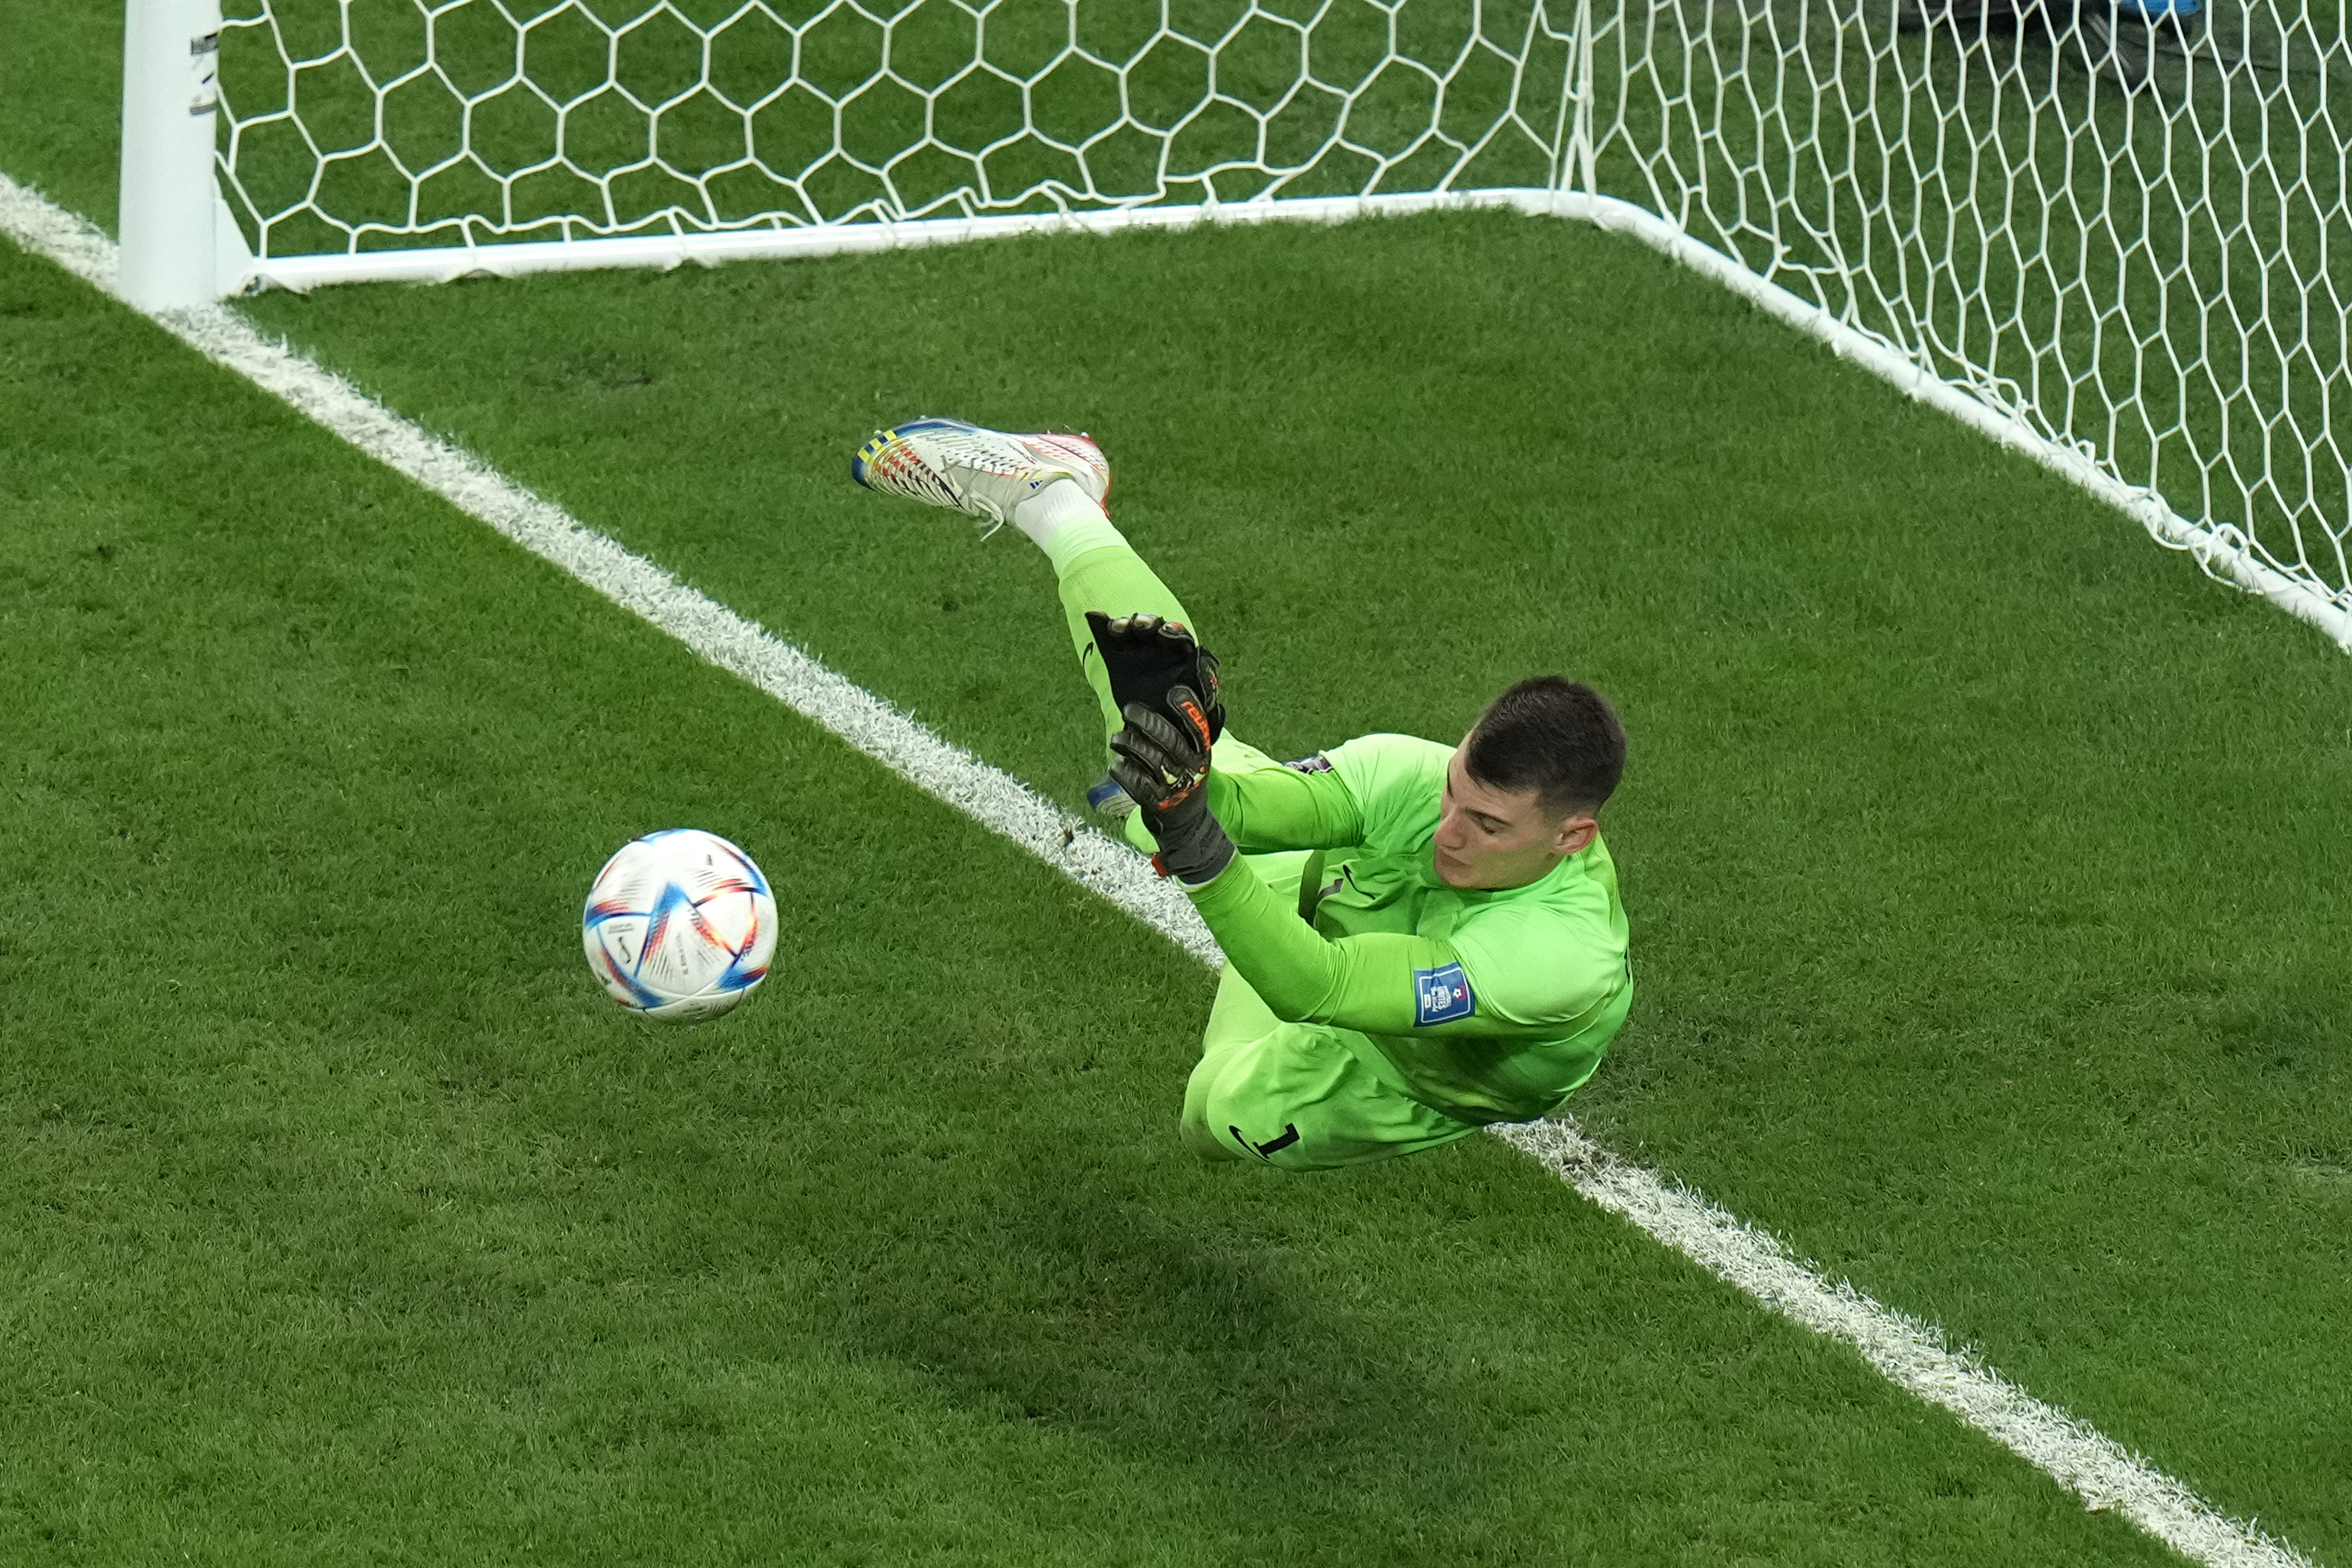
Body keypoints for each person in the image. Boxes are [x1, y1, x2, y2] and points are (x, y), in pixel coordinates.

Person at [851, 418, 1633, 1171]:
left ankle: (1175, 836)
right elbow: (1247, 811)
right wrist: (1190, 793)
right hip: (1345, 891)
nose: (1448, 830)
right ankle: (1055, 499)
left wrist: (1195, 842)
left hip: (1412, 1073)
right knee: (1174, 745)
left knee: (1215, 1111)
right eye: (1453, 791)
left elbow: (1322, 986)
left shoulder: (1554, 959)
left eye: (1488, 826)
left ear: (1571, 836)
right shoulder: (1410, 774)